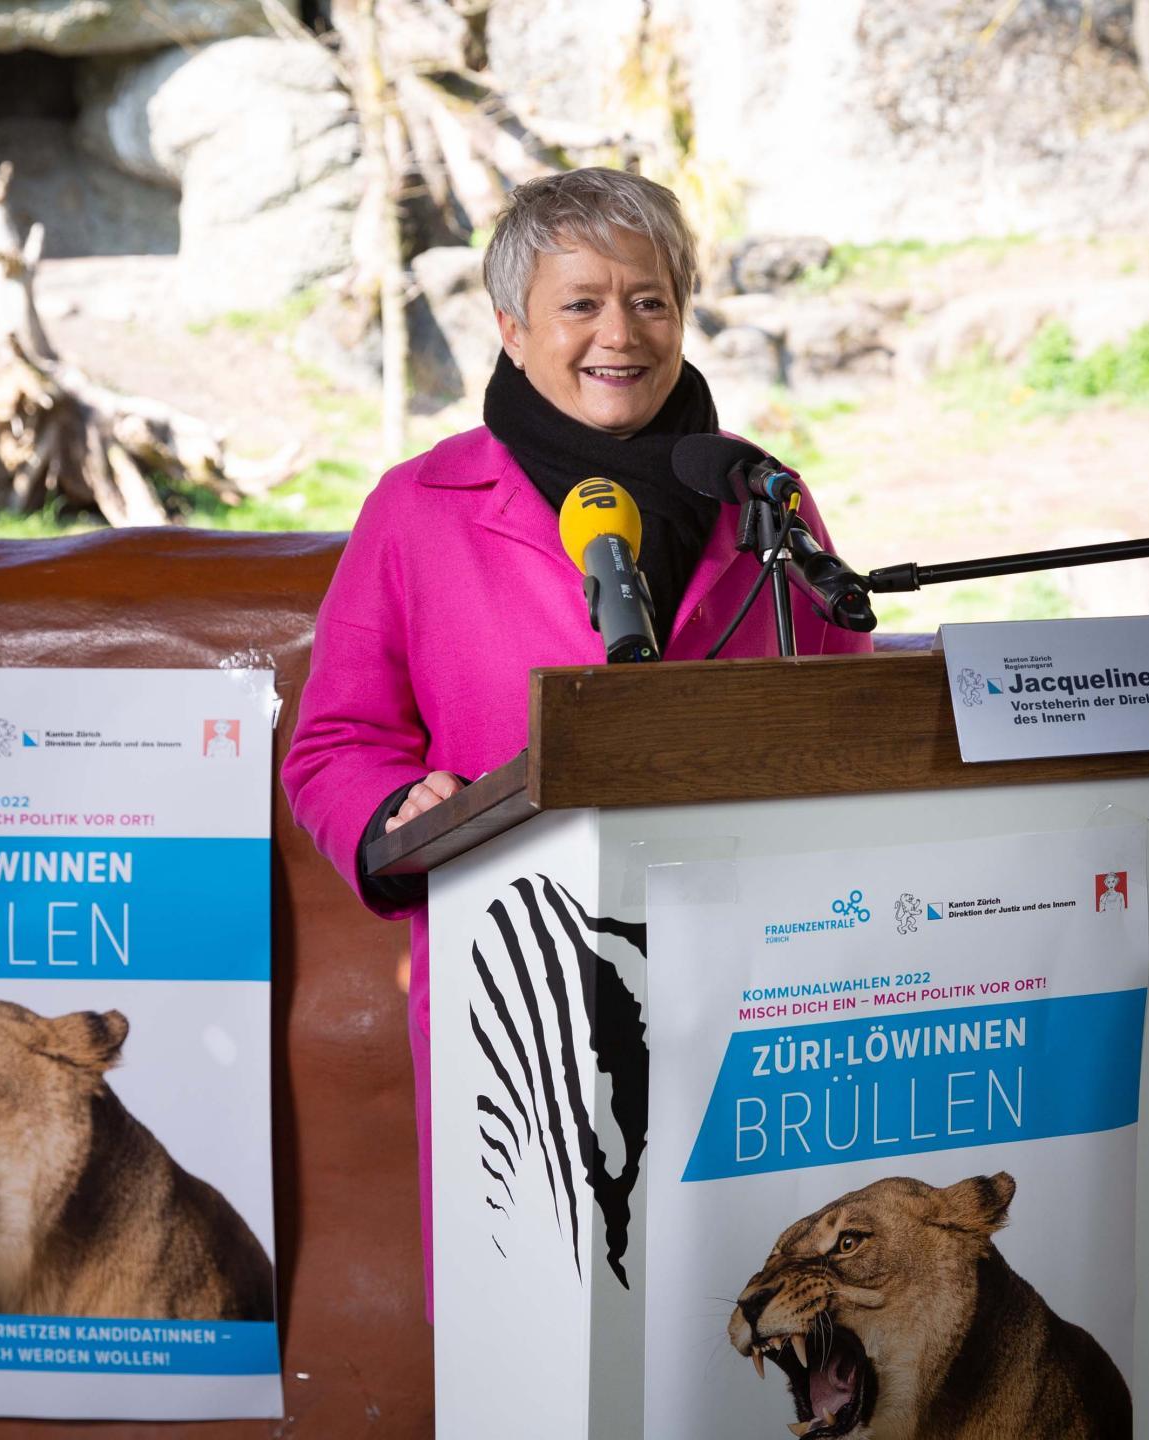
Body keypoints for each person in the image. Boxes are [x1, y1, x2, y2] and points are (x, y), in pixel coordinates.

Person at [280, 168, 872, 1310]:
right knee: (543, 1323)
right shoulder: (418, 506)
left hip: (755, 994)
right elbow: (337, 742)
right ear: (511, 329)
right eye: (582, 304)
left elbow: (841, 713)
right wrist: (390, 810)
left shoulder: (765, 498)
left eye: (650, 301)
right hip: (518, 993)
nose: (621, 334)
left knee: (748, 1318)